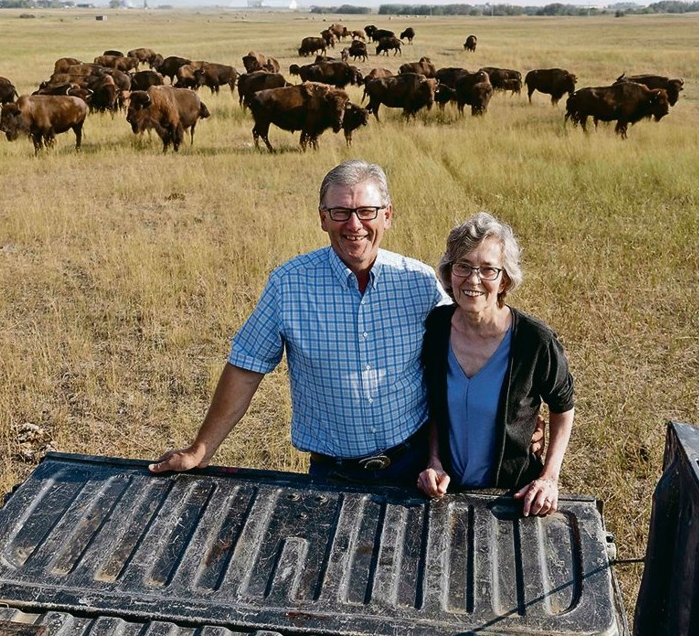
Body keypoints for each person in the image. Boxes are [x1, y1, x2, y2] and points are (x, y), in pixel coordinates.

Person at [148, 159, 451, 485]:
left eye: (366, 211)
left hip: (416, 469)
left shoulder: (419, 282)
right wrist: (200, 450)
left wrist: (439, 458)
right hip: (331, 475)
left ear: (387, 215)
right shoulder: (288, 284)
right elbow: (245, 368)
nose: (354, 225)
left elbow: (457, 366)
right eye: (340, 212)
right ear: (323, 218)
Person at [416, 211, 574, 516]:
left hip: (511, 498)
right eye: (463, 266)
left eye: (488, 270)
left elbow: (563, 406)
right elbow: (435, 405)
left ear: (504, 280)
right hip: (447, 496)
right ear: (450, 272)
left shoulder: (534, 341)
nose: (474, 279)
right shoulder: (436, 328)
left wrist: (549, 477)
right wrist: (433, 461)